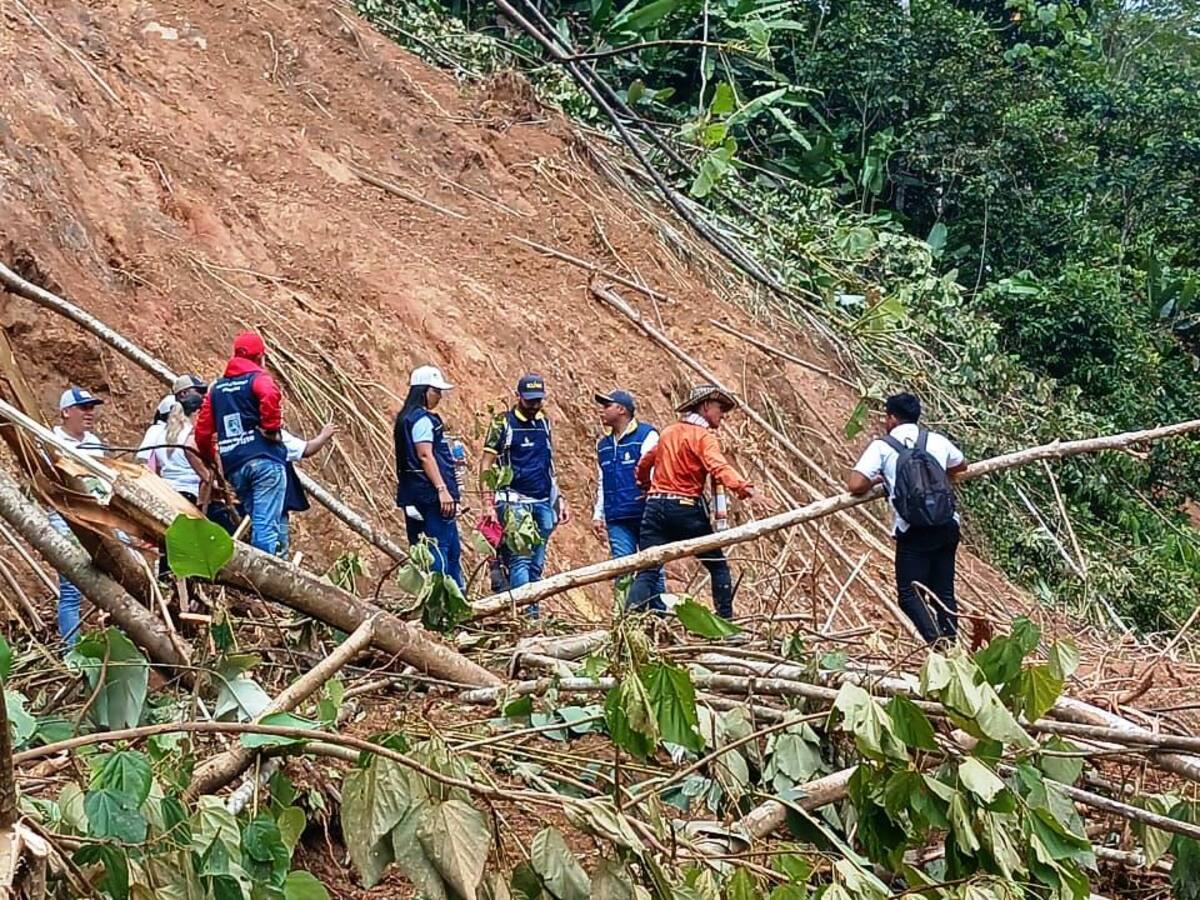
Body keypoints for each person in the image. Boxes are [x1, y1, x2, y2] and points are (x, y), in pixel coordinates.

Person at [625, 385, 769, 618]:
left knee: (648, 570)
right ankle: (726, 626)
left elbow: (643, 465)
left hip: (654, 507)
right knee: (718, 566)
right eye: (719, 408)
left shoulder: (668, 432)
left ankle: (625, 624)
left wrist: (646, 487)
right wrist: (746, 489)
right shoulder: (703, 437)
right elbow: (718, 467)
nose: (722, 414)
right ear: (705, 407)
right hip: (684, 509)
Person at [847, 392, 968, 644]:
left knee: (909, 595)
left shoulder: (883, 446)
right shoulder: (935, 440)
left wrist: (881, 478)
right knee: (943, 592)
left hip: (914, 530)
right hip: (946, 525)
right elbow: (961, 465)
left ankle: (939, 648)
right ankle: (952, 646)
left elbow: (855, 484)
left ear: (891, 418)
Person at [480, 373, 570, 618]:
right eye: (529, 401)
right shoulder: (503, 424)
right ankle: (525, 617)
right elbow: (486, 463)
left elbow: (548, 464)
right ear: (518, 397)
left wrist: (558, 497)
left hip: (542, 501)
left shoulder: (544, 423)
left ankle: (531, 610)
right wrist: (488, 502)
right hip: (513, 502)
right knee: (520, 560)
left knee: (536, 563)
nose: (534, 406)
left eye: (538, 401)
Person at [191, 332, 288, 555]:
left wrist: (212, 459)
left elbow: (202, 433)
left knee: (256, 520)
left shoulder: (217, 389)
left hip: (234, 465)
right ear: (259, 357)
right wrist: (271, 428)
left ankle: (256, 567)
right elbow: (270, 394)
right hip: (264, 461)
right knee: (266, 526)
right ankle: (265, 576)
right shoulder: (258, 378)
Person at [394, 365, 463, 588]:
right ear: (424, 391)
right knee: (441, 549)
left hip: (413, 493)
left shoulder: (405, 418)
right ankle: (442, 598)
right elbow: (425, 455)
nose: (439, 397)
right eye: (436, 391)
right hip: (430, 496)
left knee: (435, 548)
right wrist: (442, 489)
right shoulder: (422, 420)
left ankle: (445, 596)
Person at [50, 387, 108, 647]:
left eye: (91, 408)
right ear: (66, 412)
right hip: (64, 516)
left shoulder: (94, 443)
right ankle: (72, 653)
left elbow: (104, 482)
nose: (90, 413)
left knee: (121, 574)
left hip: (97, 515)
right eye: (84, 408)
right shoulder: (50, 441)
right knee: (71, 588)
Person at [591, 389, 664, 595]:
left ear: (621, 410)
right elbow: (602, 480)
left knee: (652, 567)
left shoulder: (647, 435)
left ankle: (657, 617)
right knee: (622, 568)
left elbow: (655, 472)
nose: (601, 411)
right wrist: (599, 514)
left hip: (645, 512)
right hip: (616, 516)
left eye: (607, 406)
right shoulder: (603, 446)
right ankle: (624, 617)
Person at [277, 423, 337, 557]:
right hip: (277, 506)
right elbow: (306, 449)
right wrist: (324, 435)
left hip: (246, 501)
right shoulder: (275, 435)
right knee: (278, 547)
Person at [137, 374, 207, 473]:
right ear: (183, 394)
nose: (202, 395)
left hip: (165, 486)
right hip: (192, 487)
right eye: (199, 391)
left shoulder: (161, 435)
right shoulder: (190, 433)